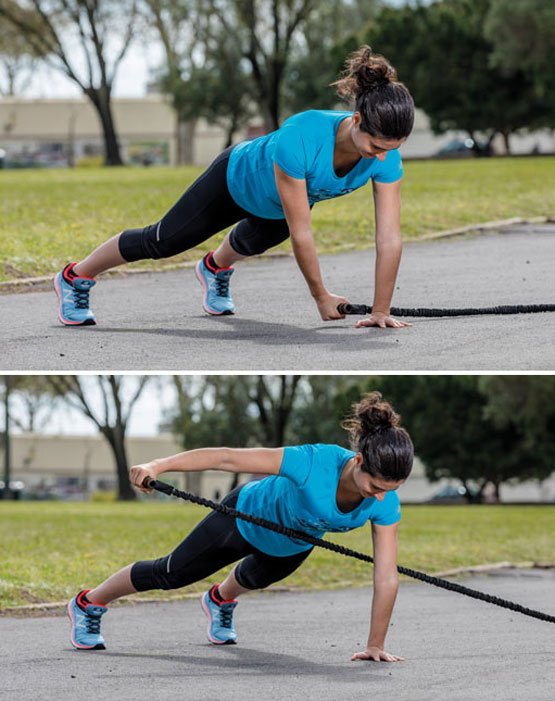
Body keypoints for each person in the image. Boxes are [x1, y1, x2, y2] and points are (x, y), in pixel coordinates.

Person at [55, 46, 414, 330]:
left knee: (250, 243)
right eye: (377, 147)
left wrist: (380, 310)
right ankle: (75, 276)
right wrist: (320, 296)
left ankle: (214, 268)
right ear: (355, 121)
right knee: (162, 242)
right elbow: (302, 232)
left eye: (392, 149)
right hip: (233, 180)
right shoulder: (303, 135)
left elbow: (389, 238)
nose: (381, 158)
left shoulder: (387, 158)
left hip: (276, 204)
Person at [67, 392, 413, 663]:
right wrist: (157, 464)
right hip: (242, 518)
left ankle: (218, 600)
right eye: (376, 487)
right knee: (171, 573)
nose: (380, 498)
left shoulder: (386, 503)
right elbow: (227, 458)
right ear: (358, 461)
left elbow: (385, 576)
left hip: (292, 545)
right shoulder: (314, 461)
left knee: (252, 580)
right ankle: (88, 603)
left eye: (390, 490)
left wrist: (375, 644)